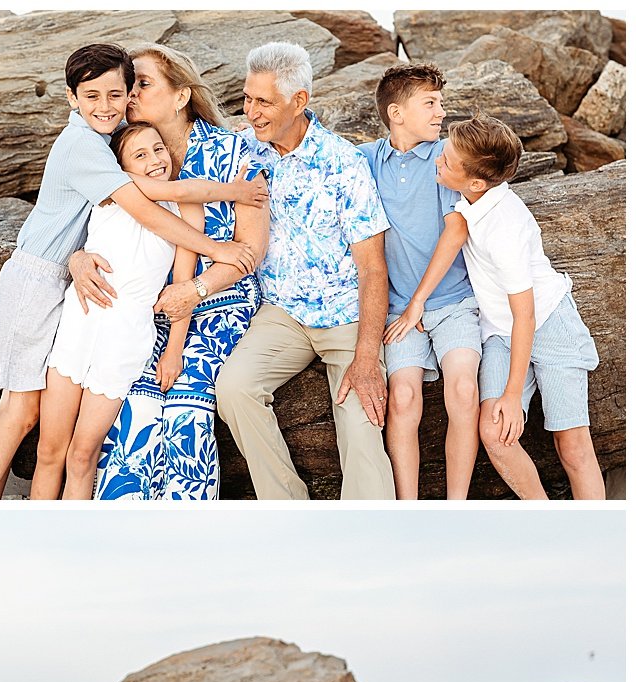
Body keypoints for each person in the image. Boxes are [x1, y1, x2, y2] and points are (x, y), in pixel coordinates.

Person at [0, 43, 259, 499]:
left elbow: (176, 190)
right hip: (41, 282)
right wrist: (217, 247)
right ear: (72, 98)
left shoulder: (114, 136)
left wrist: (231, 190)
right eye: (99, 95)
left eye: (125, 91)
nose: (117, 103)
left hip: (98, 303)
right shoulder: (89, 143)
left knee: (42, 425)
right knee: (20, 414)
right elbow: (146, 206)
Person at [69, 44, 270, 501]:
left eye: (142, 84)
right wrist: (77, 259)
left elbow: (247, 253)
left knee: (185, 408)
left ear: (181, 96)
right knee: (131, 404)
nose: (129, 95)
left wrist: (195, 289)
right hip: (150, 308)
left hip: (218, 302)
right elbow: (87, 225)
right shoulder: (118, 154)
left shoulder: (237, 153)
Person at [213, 42, 397, 500]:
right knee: (233, 388)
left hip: (344, 316)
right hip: (282, 315)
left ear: (299, 102)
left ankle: (371, 541)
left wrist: (368, 357)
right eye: (248, 99)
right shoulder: (245, 152)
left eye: (264, 102)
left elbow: (373, 268)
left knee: (362, 423)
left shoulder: (344, 164)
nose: (252, 112)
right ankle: (288, 508)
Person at [391, 114, 604, 500]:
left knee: (571, 445)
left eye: (447, 160)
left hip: (547, 325)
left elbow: (526, 315)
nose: (439, 159)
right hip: (501, 332)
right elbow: (452, 237)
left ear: (474, 182)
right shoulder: (468, 192)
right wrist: (417, 302)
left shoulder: (504, 227)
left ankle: (597, 537)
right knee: (493, 431)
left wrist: (511, 393)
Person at [35, 125, 206, 499]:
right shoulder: (111, 194)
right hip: (80, 323)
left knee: (83, 455)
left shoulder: (185, 207)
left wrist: (174, 350)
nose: (156, 160)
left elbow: (182, 286)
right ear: (121, 165)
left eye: (158, 149)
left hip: (125, 339)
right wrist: (77, 259)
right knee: (49, 450)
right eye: (140, 155)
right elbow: (73, 243)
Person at [363, 65, 483, 500]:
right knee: (404, 399)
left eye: (441, 103)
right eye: (430, 104)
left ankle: (455, 505)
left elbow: (456, 230)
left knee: (464, 389)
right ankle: (408, 508)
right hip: (397, 311)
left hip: (452, 302)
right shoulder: (367, 160)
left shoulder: (444, 160)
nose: (441, 112)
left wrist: (419, 301)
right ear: (396, 113)